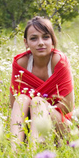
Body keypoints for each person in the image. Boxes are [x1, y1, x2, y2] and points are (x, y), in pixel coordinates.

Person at [10, 16, 74, 150]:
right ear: (26, 42)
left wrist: (40, 106)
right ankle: (13, 152)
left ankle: (35, 152)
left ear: (52, 40)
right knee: (22, 99)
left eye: (45, 37)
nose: (41, 43)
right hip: (29, 123)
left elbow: (67, 106)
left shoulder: (59, 61)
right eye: (34, 38)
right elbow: (14, 105)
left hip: (60, 125)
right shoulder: (21, 64)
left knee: (37, 102)